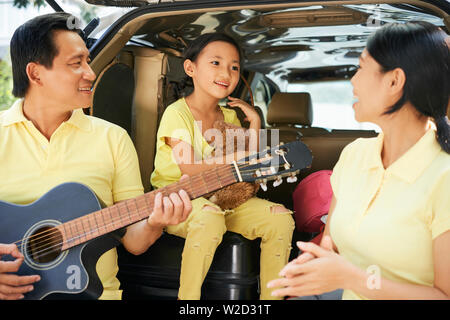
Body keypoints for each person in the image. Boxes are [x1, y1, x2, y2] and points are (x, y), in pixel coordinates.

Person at [0, 12, 192, 300]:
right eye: (76, 63)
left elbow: (133, 242)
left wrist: (156, 221)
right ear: (35, 73)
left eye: (87, 61)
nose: (90, 72)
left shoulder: (113, 138)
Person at [267, 21, 450, 300]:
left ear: (394, 81)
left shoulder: (444, 177)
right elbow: (332, 244)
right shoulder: (355, 154)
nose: (352, 80)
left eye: (362, 67)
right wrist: (313, 265)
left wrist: (353, 278)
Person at [150, 32, 295, 300]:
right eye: (215, 63)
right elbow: (190, 168)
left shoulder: (230, 116)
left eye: (234, 67)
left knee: (280, 218)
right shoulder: (176, 114)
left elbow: (248, 163)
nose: (226, 73)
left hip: (221, 197)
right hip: (179, 200)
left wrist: (254, 123)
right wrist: (235, 161)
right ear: (190, 68)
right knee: (208, 217)